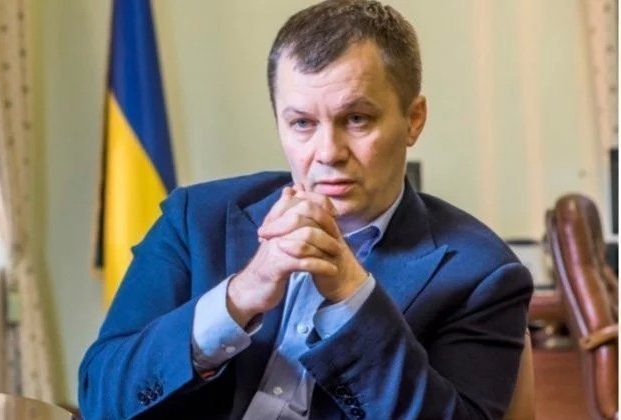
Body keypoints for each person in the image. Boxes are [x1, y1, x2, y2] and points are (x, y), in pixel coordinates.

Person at [79, 0, 532, 418]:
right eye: (302, 123)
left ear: (413, 120)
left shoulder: (481, 273)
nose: (328, 152)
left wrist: (354, 300)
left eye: (357, 119)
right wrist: (239, 298)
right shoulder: (196, 219)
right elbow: (100, 398)